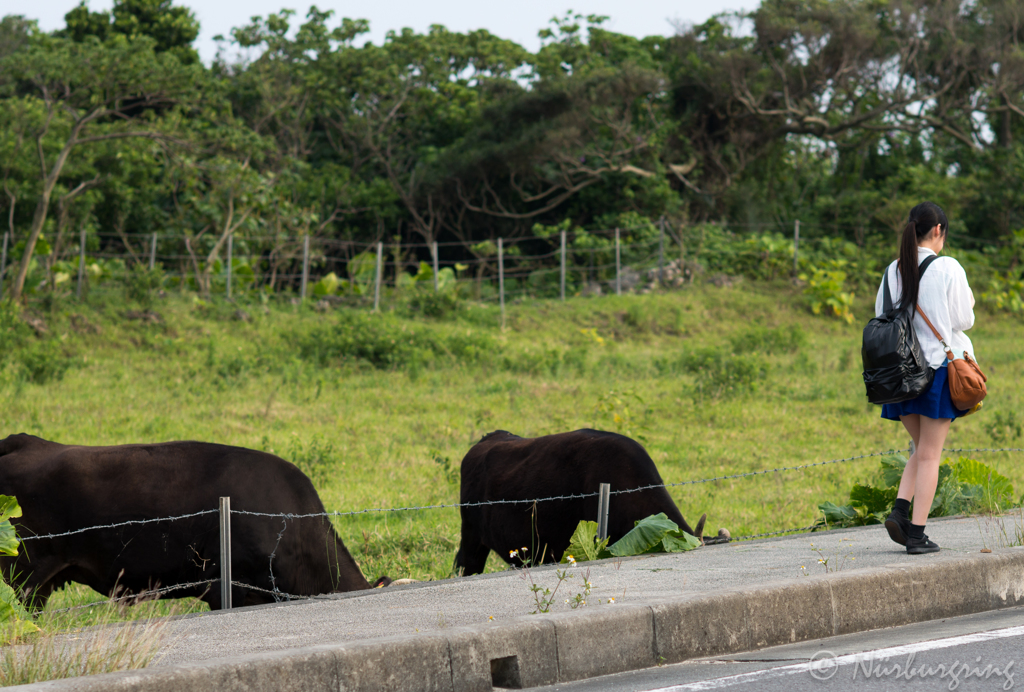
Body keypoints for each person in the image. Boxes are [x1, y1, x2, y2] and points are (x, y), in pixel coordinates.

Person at [878, 202, 976, 555]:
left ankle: (900, 513)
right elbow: (964, 319)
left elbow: (882, 315)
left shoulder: (893, 269)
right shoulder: (947, 267)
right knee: (931, 455)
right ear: (938, 231)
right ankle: (917, 535)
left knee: (921, 450)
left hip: (899, 375)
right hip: (935, 372)